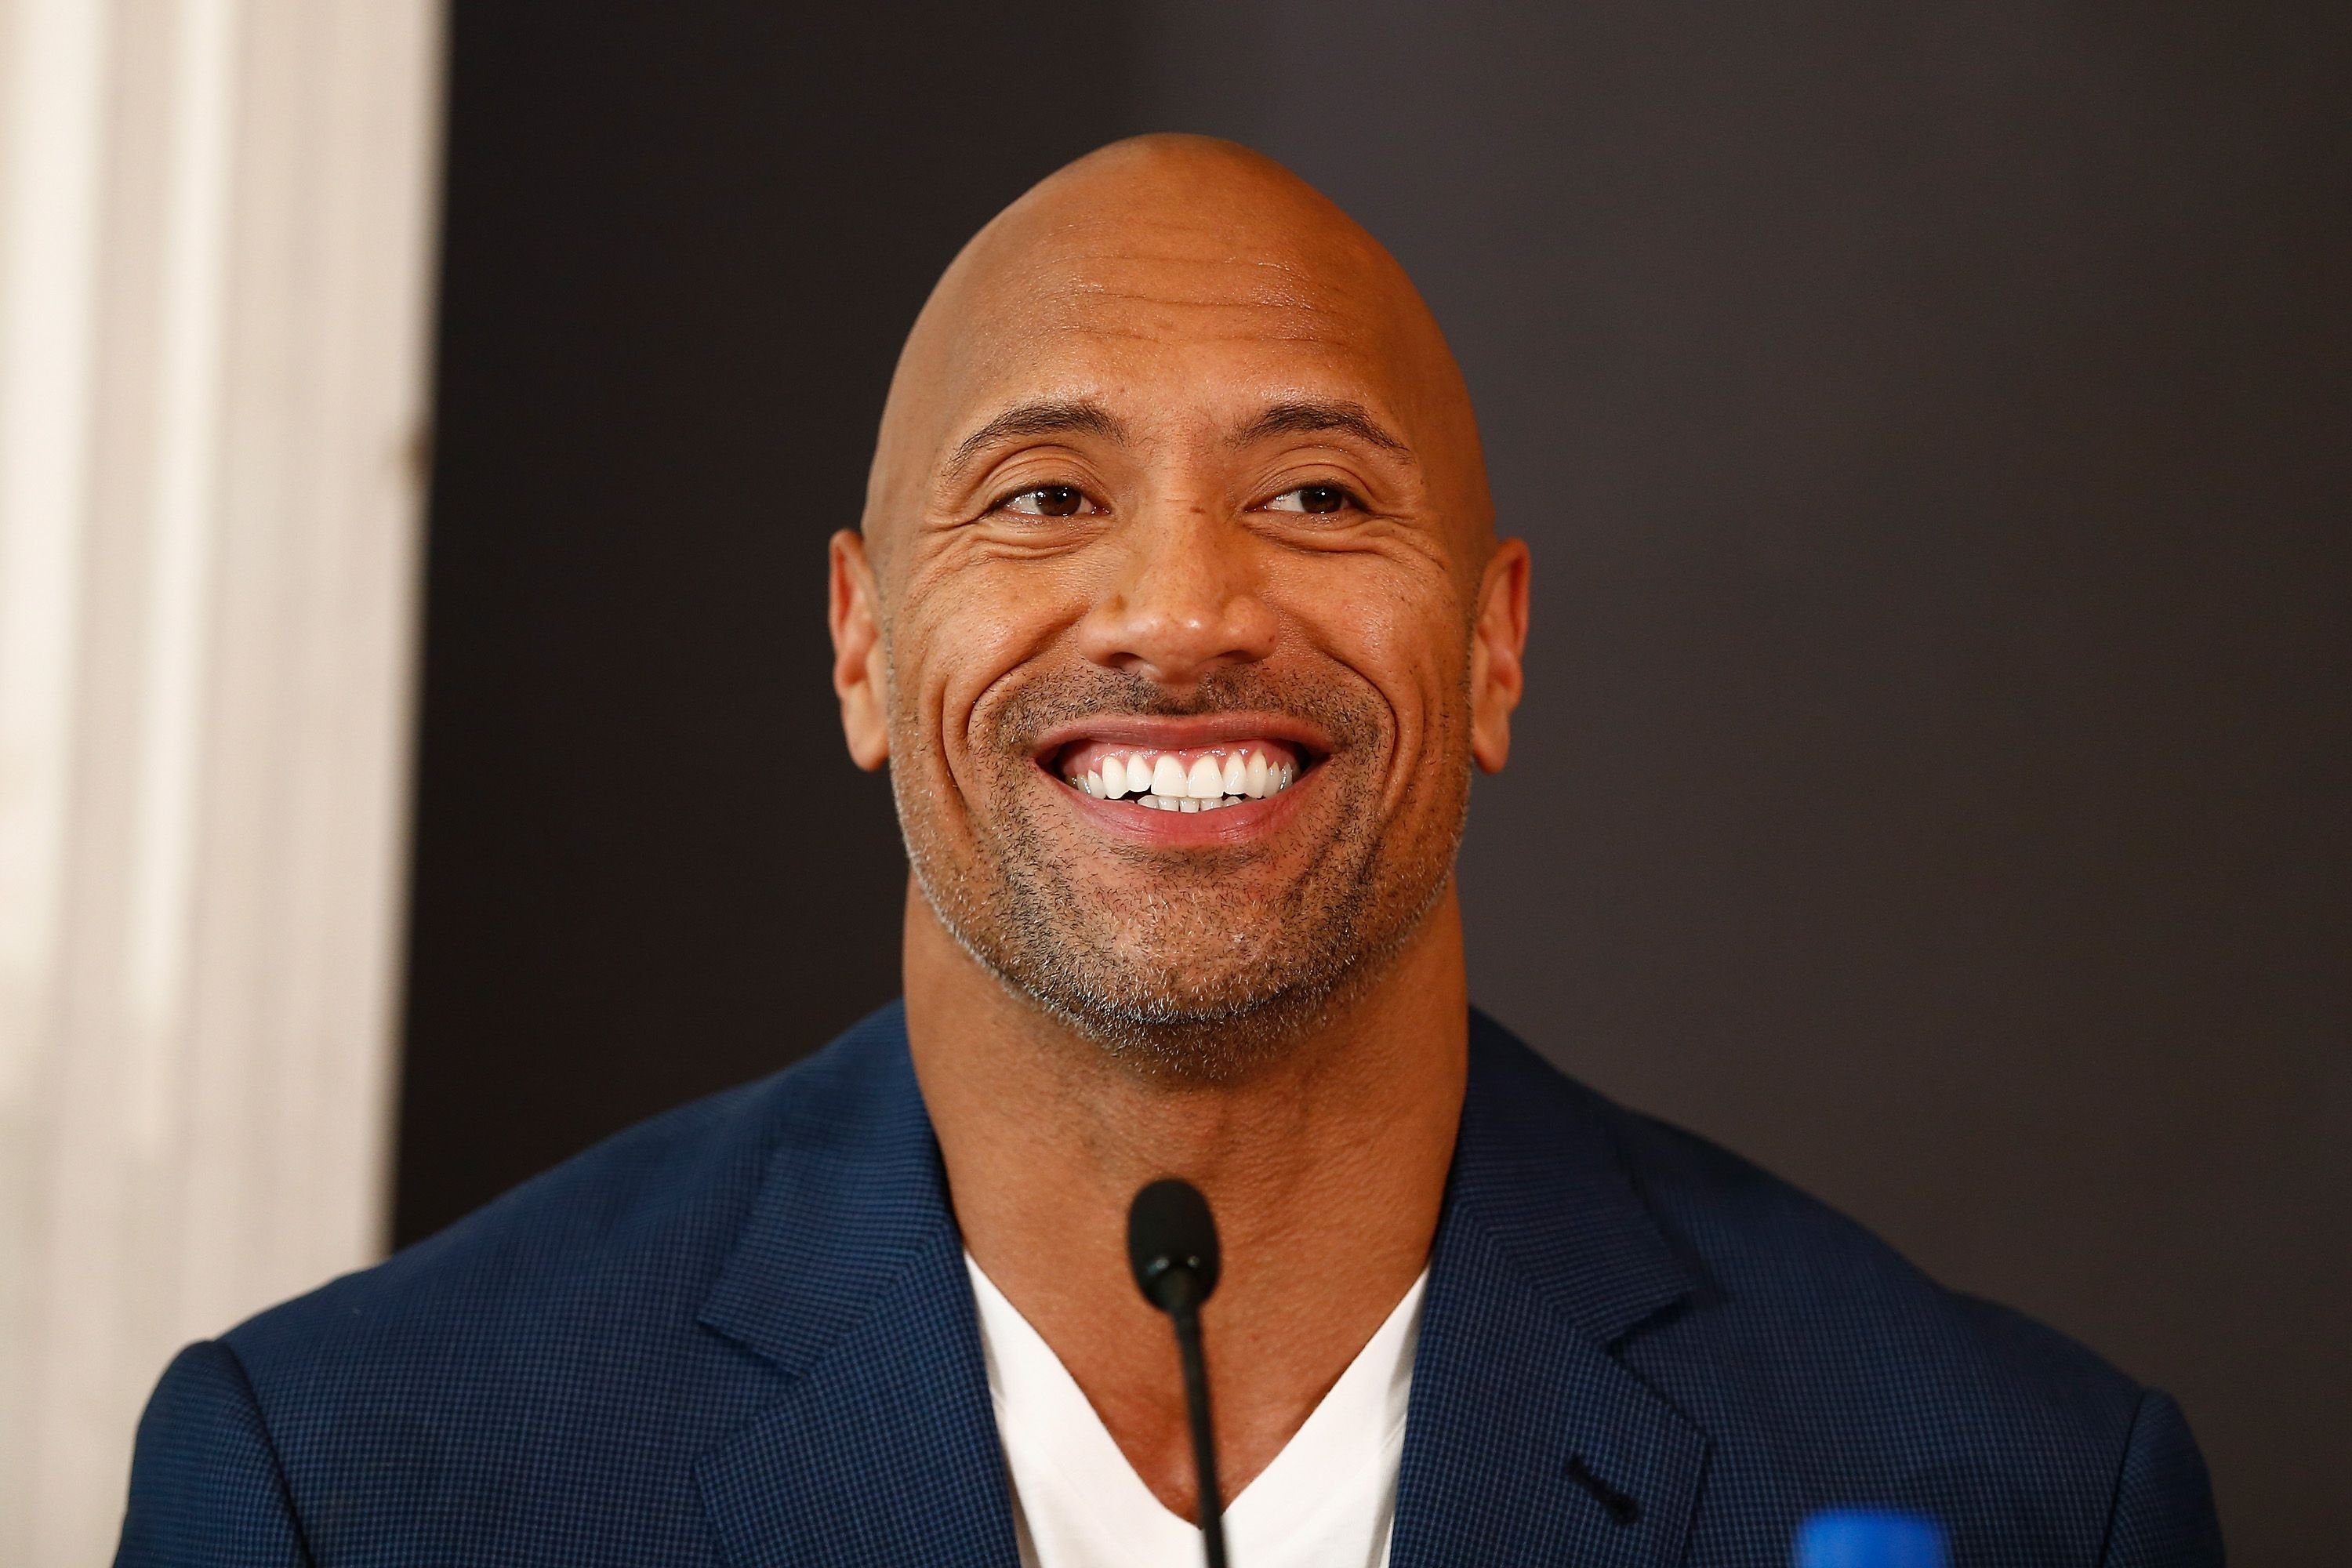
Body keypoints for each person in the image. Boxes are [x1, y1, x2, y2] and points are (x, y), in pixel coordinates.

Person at [115, 136, 2223, 1567]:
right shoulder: (354, 1483)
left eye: (1314, 498)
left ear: (1493, 650)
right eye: (1042, 497)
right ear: (863, 647)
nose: (1184, 611)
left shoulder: (2006, 1489)